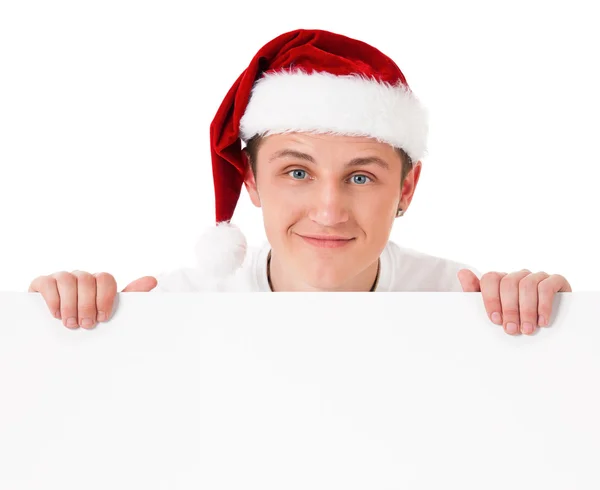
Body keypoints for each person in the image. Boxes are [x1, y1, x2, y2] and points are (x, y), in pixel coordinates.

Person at [28, 28, 571, 335]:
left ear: (406, 189)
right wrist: (49, 325)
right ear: (252, 183)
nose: (329, 209)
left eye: (361, 175)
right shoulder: (173, 309)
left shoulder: (467, 308)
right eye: (297, 172)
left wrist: (557, 331)